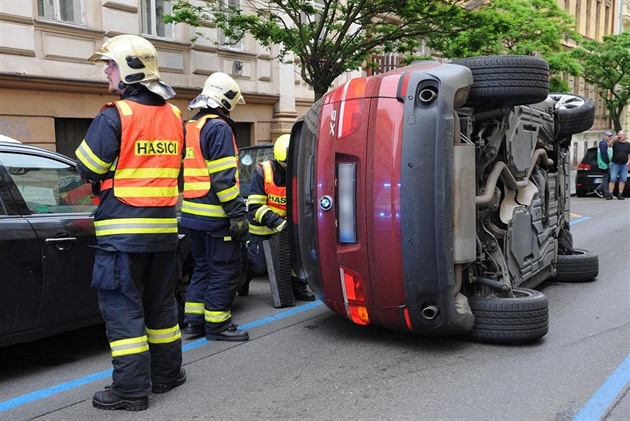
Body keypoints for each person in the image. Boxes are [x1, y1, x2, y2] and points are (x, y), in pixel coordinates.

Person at [75, 35, 185, 411]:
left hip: (122, 234)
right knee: (161, 308)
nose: (106, 70)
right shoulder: (174, 116)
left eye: (110, 63)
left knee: (124, 313)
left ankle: (129, 391)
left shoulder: (116, 114)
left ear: (127, 70)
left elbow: (87, 167)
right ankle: (168, 374)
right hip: (164, 233)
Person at [180, 72, 250, 341]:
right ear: (226, 101)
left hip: (193, 215)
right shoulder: (219, 127)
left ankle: (195, 323)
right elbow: (223, 179)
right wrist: (237, 214)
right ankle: (218, 325)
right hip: (216, 216)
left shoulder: (192, 126)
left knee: (202, 268)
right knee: (224, 269)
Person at [238, 134, 316, 302]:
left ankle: (298, 287)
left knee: (297, 258)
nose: (289, 168)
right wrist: (276, 222)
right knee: (258, 266)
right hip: (263, 228)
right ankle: (243, 280)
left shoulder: (298, 171)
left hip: (288, 227)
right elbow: (254, 207)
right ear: (277, 159)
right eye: (285, 165)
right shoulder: (262, 173)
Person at [607, 130, 630, 200]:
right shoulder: (616, 143)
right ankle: (610, 193)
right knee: (613, 178)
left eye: (622, 135)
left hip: (624, 165)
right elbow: (609, 145)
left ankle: (620, 194)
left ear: (625, 136)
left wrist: (628, 162)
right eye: (619, 134)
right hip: (615, 163)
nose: (620, 136)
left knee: (623, 179)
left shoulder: (628, 144)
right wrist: (613, 139)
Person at [594, 130, 614, 198]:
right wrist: (608, 162)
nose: (610, 137)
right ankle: (606, 193)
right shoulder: (603, 143)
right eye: (608, 136)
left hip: (608, 163)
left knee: (608, 178)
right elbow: (604, 154)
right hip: (604, 164)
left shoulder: (609, 144)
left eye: (611, 136)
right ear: (605, 136)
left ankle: (599, 189)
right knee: (606, 178)